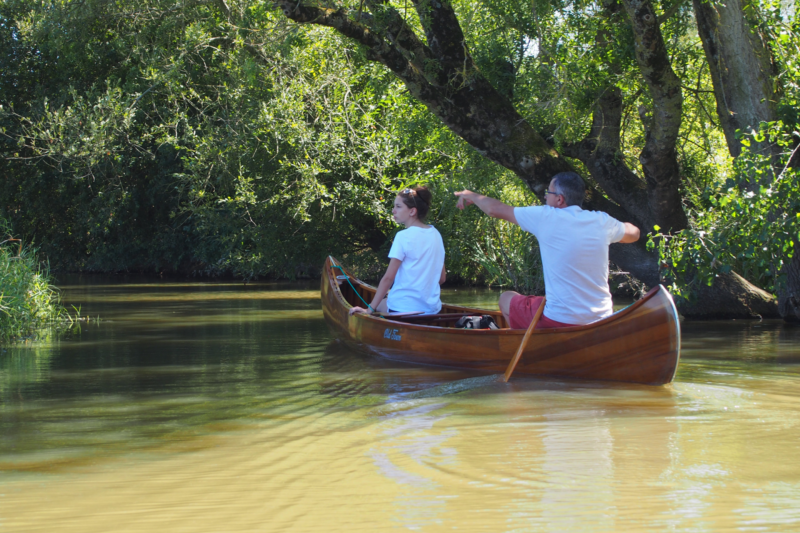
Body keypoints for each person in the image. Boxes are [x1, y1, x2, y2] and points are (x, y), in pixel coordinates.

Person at [454, 171, 640, 329]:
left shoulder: (545, 216)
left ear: (560, 199)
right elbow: (634, 233)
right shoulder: (602, 221)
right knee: (543, 299)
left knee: (506, 298)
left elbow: (495, 209)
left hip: (561, 320)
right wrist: (621, 229)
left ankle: (523, 347)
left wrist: (471, 194)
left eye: (548, 192)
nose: (545, 197)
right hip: (602, 319)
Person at [349, 186, 446, 316]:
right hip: (432, 310)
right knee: (387, 299)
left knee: (380, 304)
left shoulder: (402, 236)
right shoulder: (436, 234)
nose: (393, 211)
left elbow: (388, 278)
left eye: (398, 207)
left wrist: (369, 309)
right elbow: (442, 278)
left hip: (403, 309)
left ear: (412, 211)